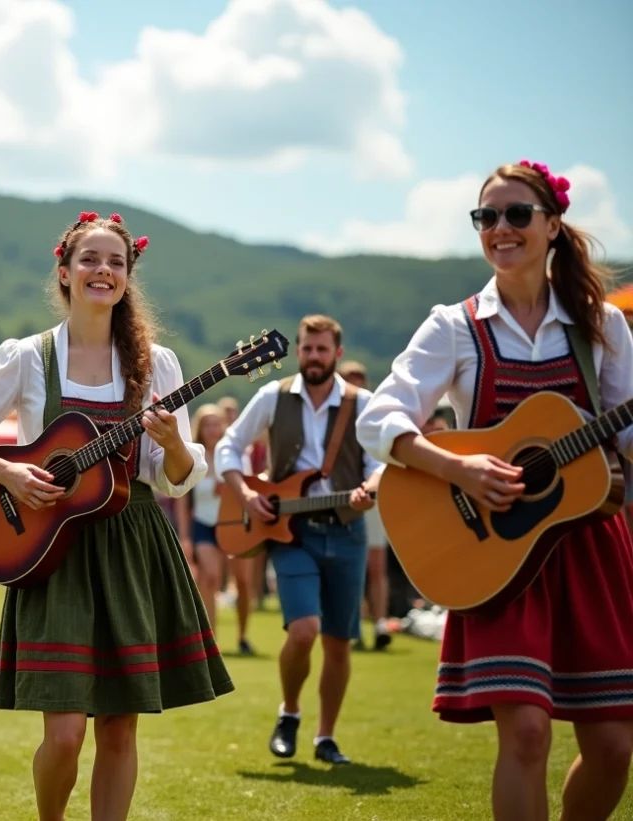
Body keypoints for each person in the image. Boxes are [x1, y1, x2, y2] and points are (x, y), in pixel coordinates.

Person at [0, 211, 233, 820]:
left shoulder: (158, 366)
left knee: (120, 730)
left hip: (132, 543)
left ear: (128, 278)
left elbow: (174, 478)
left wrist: (174, 443)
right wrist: (10, 472)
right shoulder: (25, 356)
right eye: (90, 260)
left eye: (116, 262)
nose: (103, 271)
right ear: (64, 272)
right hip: (49, 549)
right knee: (65, 734)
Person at [356, 159, 633, 821]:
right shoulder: (454, 325)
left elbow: (625, 443)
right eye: (487, 216)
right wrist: (458, 468)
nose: (500, 228)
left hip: (592, 545)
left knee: (615, 745)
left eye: (516, 214)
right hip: (495, 552)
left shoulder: (602, 326)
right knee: (529, 733)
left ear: (553, 227)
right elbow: (379, 416)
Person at [215, 314, 383, 766]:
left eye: (322, 350)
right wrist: (246, 493)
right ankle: (289, 711)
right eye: (307, 349)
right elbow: (228, 446)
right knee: (305, 629)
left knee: (338, 643)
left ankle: (326, 737)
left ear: (337, 354)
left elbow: (383, 458)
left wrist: (372, 485)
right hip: (290, 532)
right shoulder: (273, 396)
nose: (313, 357)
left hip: (347, 530)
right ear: (298, 351)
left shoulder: (363, 403)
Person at [175, 403, 256, 655]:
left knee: (242, 581)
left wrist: (231, 489)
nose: (212, 429)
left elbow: (251, 488)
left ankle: (243, 636)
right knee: (209, 577)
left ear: (223, 426)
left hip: (235, 525)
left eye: (216, 423)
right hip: (203, 524)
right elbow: (182, 499)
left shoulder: (236, 455)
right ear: (200, 427)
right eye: (207, 424)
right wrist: (185, 536)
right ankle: (211, 639)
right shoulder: (191, 454)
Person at [338, 361, 392, 651]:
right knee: (352, 567)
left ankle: (381, 621)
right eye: (350, 380)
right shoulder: (332, 416)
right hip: (343, 499)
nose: (355, 385)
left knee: (376, 566)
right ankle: (355, 624)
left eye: (359, 380)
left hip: (372, 497)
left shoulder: (373, 415)